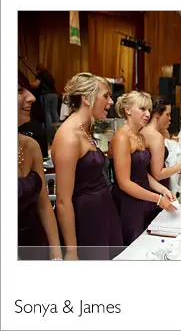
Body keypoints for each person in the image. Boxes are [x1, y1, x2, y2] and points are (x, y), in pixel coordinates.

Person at [52, 73, 123, 260]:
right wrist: (71, 250)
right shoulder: (68, 137)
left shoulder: (85, 129)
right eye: (105, 96)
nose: (111, 102)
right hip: (87, 218)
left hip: (103, 211)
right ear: (86, 98)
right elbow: (62, 200)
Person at [110, 92, 177, 246]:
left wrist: (162, 189)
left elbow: (141, 173)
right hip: (128, 202)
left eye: (149, 110)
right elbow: (124, 183)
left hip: (144, 197)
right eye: (142, 109)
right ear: (128, 110)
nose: (147, 114)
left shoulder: (140, 136)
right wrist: (157, 198)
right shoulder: (122, 137)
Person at [18, 73, 62, 260]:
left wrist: (56, 252)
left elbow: (43, 204)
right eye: (19, 91)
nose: (32, 97)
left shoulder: (30, 145)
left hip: (36, 245)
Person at [141, 97, 181, 195]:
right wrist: (180, 167)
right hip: (156, 187)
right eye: (167, 114)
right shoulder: (155, 136)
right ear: (157, 114)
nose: (170, 118)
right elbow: (158, 174)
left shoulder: (148, 131)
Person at [30, 63, 59, 135]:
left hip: (47, 95)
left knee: (47, 113)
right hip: (54, 95)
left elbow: (36, 85)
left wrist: (27, 83)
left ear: (38, 70)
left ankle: (49, 133)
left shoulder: (41, 74)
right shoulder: (49, 75)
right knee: (54, 112)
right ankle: (58, 131)